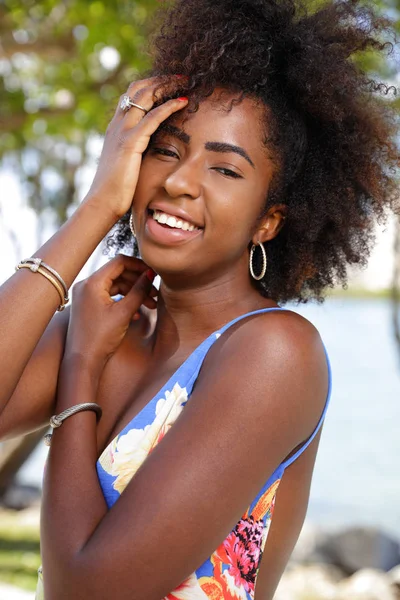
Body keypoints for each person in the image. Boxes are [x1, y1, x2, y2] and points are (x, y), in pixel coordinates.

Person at [0, 0, 398, 598]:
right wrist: (95, 209)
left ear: (268, 221)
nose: (180, 181)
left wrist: (80, 368)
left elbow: (89, 587)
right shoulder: (110, 325)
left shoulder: (274, 353)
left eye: (226, 170)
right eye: (166, 149)